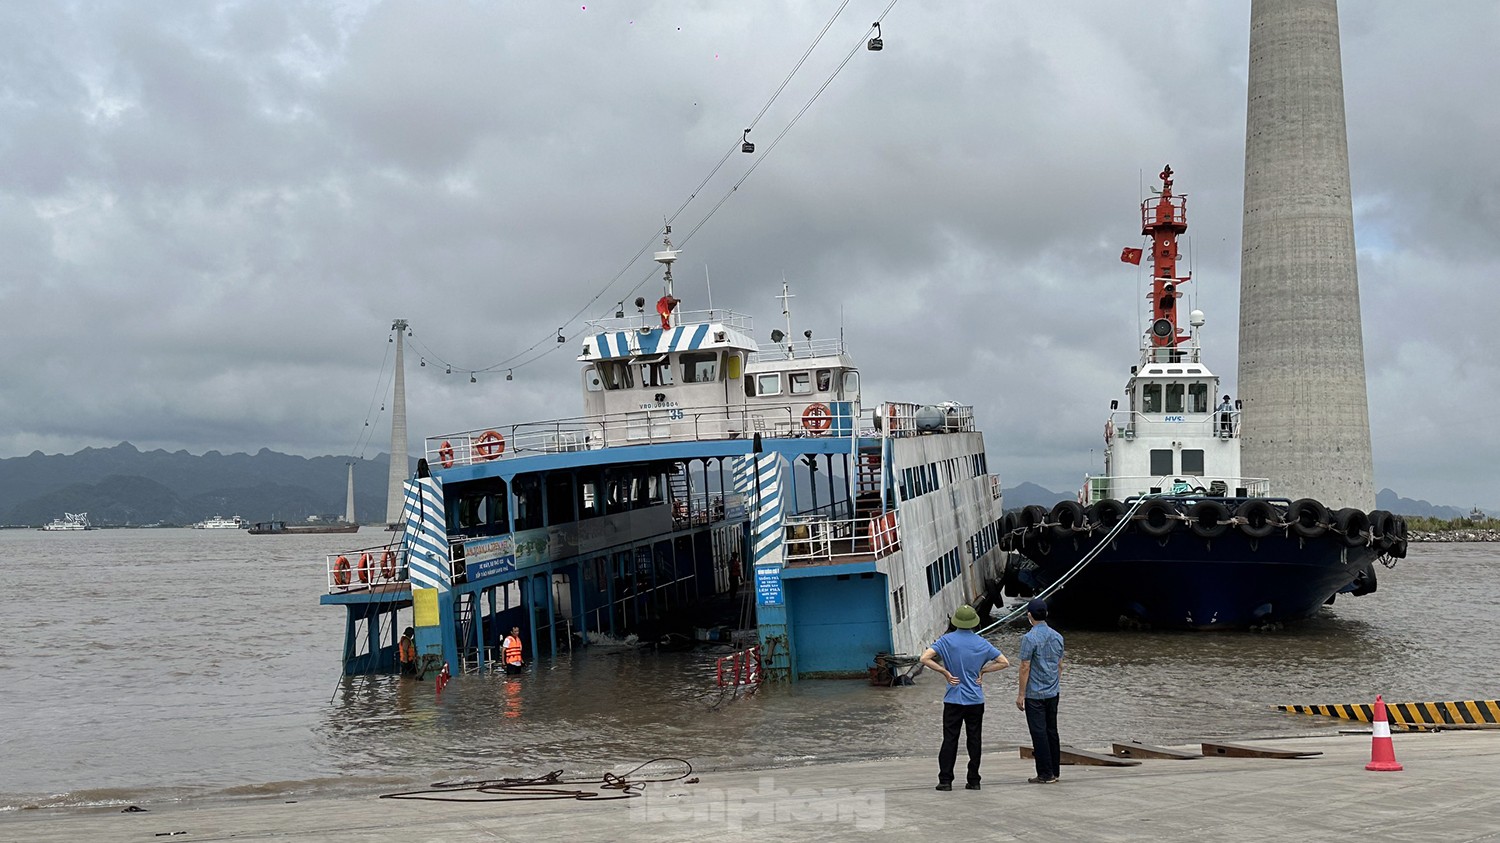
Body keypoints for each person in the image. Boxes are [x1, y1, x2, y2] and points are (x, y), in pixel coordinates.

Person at [920, 605, 1010, 791]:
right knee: (974, 739)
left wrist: (944, 672)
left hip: (953, 698)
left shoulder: (946, 640)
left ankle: (945, 780)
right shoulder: (982, 643)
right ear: (973, 623)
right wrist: (983, 670)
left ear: (956, 622)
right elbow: (1004, 662)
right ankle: (974, 779)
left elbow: (924, 658)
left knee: (950, 739)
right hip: (975, 699)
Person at [1016, 598, 1065, 784]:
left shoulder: (1029, 638)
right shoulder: (1058, 636)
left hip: (1035, 694)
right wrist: (1055, 683)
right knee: (1052, 730)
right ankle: (1055, 770)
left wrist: (1021, 694)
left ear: (1029, 615)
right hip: (1053, 692)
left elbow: (1024, 666)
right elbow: (1060, 665)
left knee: (1039, 732)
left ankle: (1045, 773)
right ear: (1046, 614)